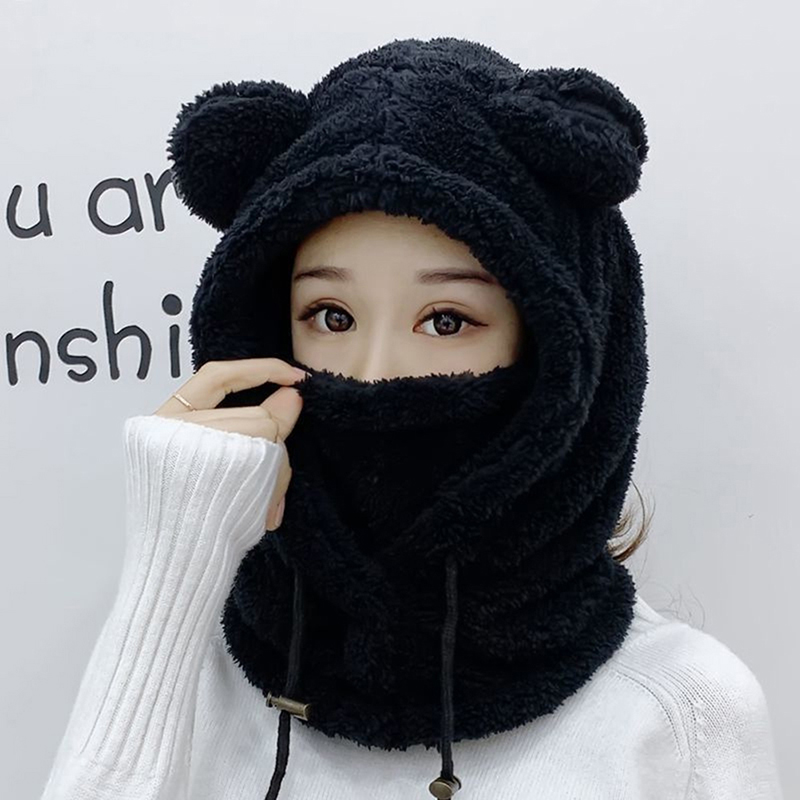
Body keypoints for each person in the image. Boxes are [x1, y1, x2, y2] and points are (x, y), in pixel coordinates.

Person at [39, 37, 784, 800]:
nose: (373, 376)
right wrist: (168, 569)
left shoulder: (682, 711)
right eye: (331, 316)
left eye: (447, 320)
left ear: (559, 350)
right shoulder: (175, 658)